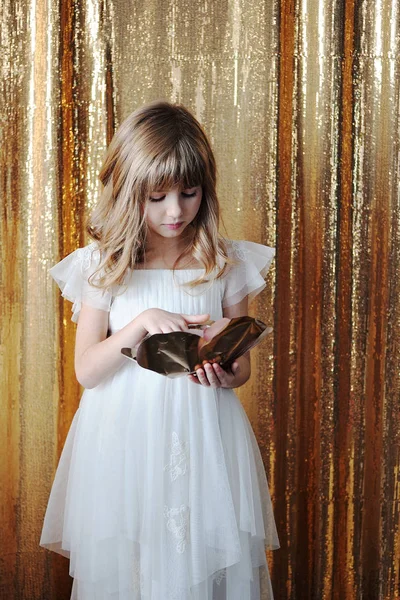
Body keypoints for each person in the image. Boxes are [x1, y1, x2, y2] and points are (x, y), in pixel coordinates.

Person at [40, 100, 280, 600]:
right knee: (132, 568)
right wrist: (140, 325)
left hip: (204, 435)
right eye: (158, 197)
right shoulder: (104, 264)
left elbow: (242, 369)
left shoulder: (223, 261)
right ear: (131, 194)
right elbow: (87, 370)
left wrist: (224, 366)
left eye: (188, 194)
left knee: (199, 562)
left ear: (204, 189)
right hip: (124, 437)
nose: (175, 211)